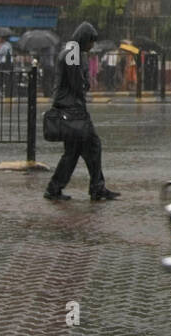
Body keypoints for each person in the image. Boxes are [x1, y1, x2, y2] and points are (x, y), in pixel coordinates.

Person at [44, 21, 120, 202]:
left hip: (73, 109)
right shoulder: (72, 54)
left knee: (76, 152)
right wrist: (85, 82)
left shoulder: (73, 52)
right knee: (91, 147)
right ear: (84, 39)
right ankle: (94, 187)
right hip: (73, 111)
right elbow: (77, 84)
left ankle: (59, 188)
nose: (92, 45)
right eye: (91, 41)